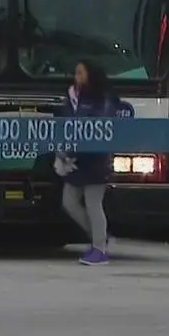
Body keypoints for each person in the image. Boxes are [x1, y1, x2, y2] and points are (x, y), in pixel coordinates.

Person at [56, 59, 117, 266]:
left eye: (81, 73)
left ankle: (100, 249)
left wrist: (73, 151)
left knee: (93, 203)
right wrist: (63, 153)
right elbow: (67, 124)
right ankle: (100, 237)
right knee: (69, 202)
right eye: (76, 73)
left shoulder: (103, 98)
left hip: (95, 160)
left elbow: (96, 128)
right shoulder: (73, 96)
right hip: (76, 160)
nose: (77, 77)